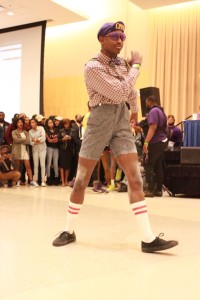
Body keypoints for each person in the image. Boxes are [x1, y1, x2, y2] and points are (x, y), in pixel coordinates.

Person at [52, 21, 178, 253]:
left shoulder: (122, 63)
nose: (120, 41)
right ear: (101, 39)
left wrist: (133, 109)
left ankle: (148, 239)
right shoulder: (92, 67)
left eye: (122, 37)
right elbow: (118, 89)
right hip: (99, 118)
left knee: (135, 178)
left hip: (120, 118)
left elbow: (129, 91)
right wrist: (137, 66)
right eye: (114, 37)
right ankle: (68, 230)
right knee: (81, 179)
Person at [143, 95, 168, 197]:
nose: (146, 105)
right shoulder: (161, 111)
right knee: (158, 165)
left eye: (146, 103)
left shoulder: (153, 111)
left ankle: (149, 190)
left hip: (156, 141)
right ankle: (158, 190)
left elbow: (153, 127)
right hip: (163, 141)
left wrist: (146, 142)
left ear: (149, 102)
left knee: (148, 164)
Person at [11, 118, 36, 186]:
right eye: (19, 122)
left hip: (24, 151)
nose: (20, 123)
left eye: (21, 122)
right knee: (18, 167)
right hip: (17, 151)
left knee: (28, 166)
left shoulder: (26, 132)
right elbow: (16, 140)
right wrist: (23, 139)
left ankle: (31, 181)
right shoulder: (14, 132)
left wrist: (21, 139)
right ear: (16, 124)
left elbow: (28, 141)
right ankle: (18, 181)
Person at [29, 118, 47, 187]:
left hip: (42, 149)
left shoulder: (41, 128)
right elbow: (30, 142)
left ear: (36, 123)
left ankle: (43, 181)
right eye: (31, 123)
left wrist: (36, 140)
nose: (32, 124)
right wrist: (35, 142)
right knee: (35, 165)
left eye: (33, 122)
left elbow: (43, 138)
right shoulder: (30, 131)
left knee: (42, 165)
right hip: (35, 149)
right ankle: (35, 180)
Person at [58, 118, 75, 187]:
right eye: (65, 124)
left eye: (68, 124)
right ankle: (62, 181)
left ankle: (66, 180)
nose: (66, 125)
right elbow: (58, 140)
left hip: (69, 150)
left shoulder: (72, 131)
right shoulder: (60, 131)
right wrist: (63, 139)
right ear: (63, 124)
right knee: (62, 166)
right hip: (62, 150)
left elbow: (75, 140)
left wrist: (71, 138)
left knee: (67, 166)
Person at [45, 118, 60, 186]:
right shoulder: (46, 130)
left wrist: (52, 139)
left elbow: (57, 139)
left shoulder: (57, 130)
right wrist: (52, 140)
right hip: (49, 148)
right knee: (48, 163)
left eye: (51, 122)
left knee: (55, 163)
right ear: (47, 124)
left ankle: (56, 178)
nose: (50, 124)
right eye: (49, 123)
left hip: (56, 148)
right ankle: (48, 178)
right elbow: (49, 141)